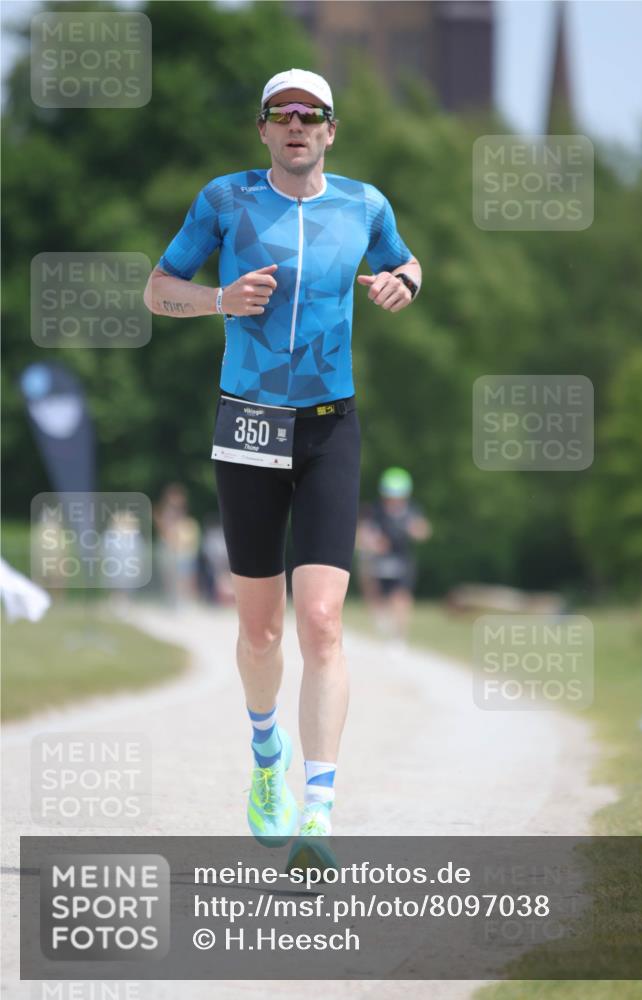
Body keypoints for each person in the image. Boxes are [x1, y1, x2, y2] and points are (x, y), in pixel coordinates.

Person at [144, 68, 422, 859]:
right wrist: (218, 302)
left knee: (323, 623)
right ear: (263, 128)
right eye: (281, 114)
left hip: (331, 426)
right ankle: (267, 756)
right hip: (250, 421)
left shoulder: (364, 205)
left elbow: (409, 263)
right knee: (261, 630)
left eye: (312, 115)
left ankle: (318, 813)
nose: (297, 125)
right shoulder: (226, 201)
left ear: (332, 130)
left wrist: (403, 282)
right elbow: (158, 290)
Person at [357, 467, 431, 650]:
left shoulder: (412, 511)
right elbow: (361, 536)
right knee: (368, 580)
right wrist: (372, 543)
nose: (393, 501)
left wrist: (416, 530)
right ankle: (379, 617)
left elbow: (423, 531)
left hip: (401, 559)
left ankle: (399, 638)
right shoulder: (373, 510)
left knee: (401, 597)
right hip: (378, 560)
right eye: (390, 496)